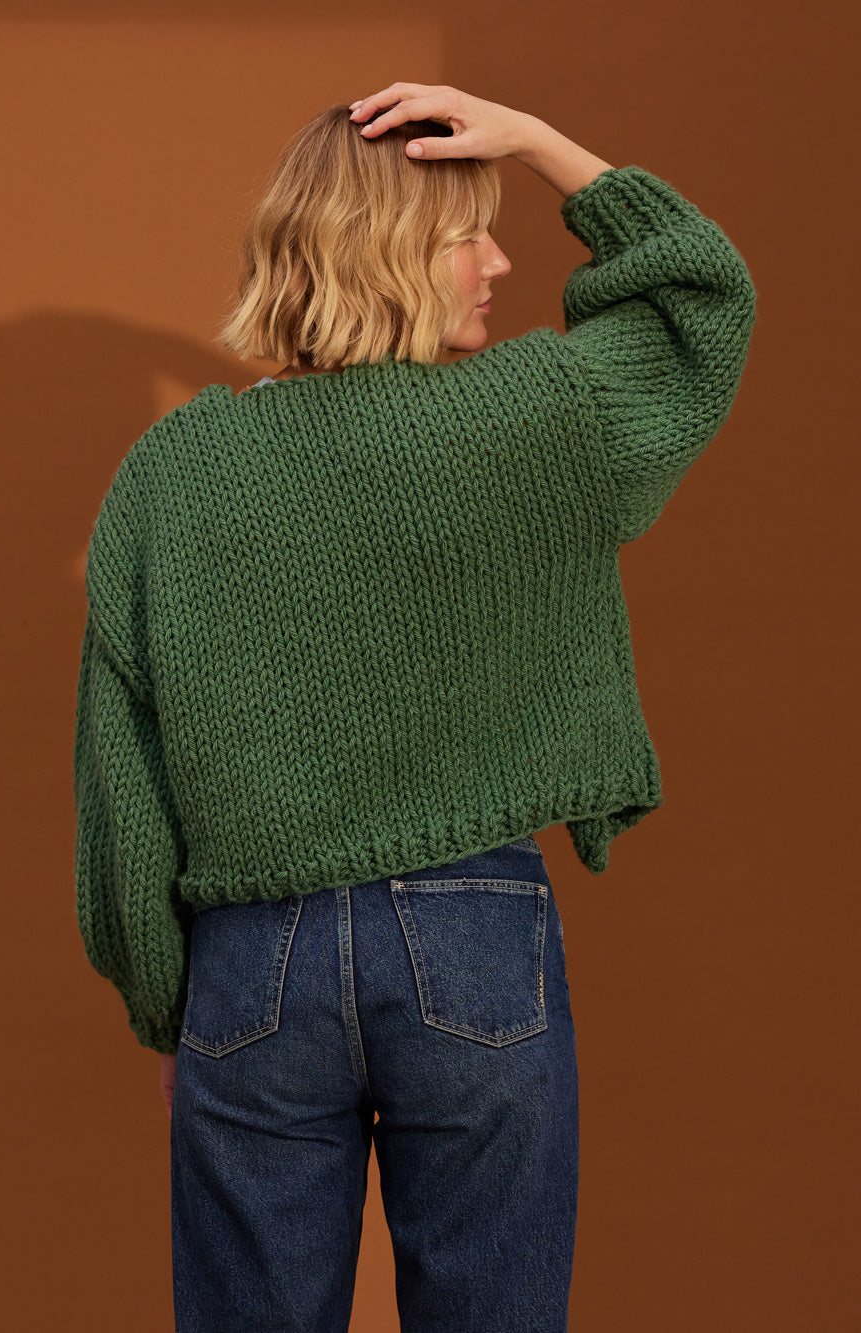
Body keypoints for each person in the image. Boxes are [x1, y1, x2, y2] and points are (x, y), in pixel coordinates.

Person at [73, 83, 756, 1332]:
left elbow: (124, 770)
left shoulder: (171, 472)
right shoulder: (535, 418)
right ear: (384, 250)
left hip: (250, 966)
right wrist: (534, 139)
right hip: (473, 937)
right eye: (467, 234)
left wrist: (173, 1006)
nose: (500, 264)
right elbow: (697, 301)